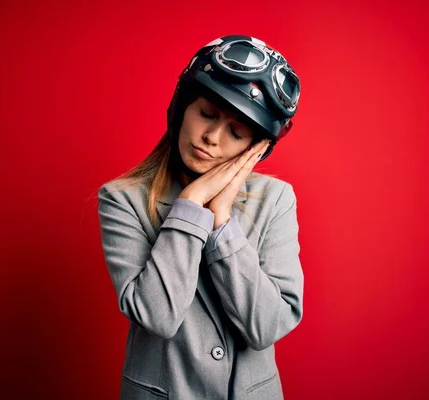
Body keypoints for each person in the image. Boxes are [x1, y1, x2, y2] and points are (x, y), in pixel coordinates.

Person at [98, 35, 304, 400]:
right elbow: (156, 316)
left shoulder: (276, 200)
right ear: (181, 107)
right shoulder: (121, 199)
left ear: (254, 150)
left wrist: (222, 221)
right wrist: (191, 205)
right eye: (206, 114)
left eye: (236, 133)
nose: (211, 137)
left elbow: (267, 325)